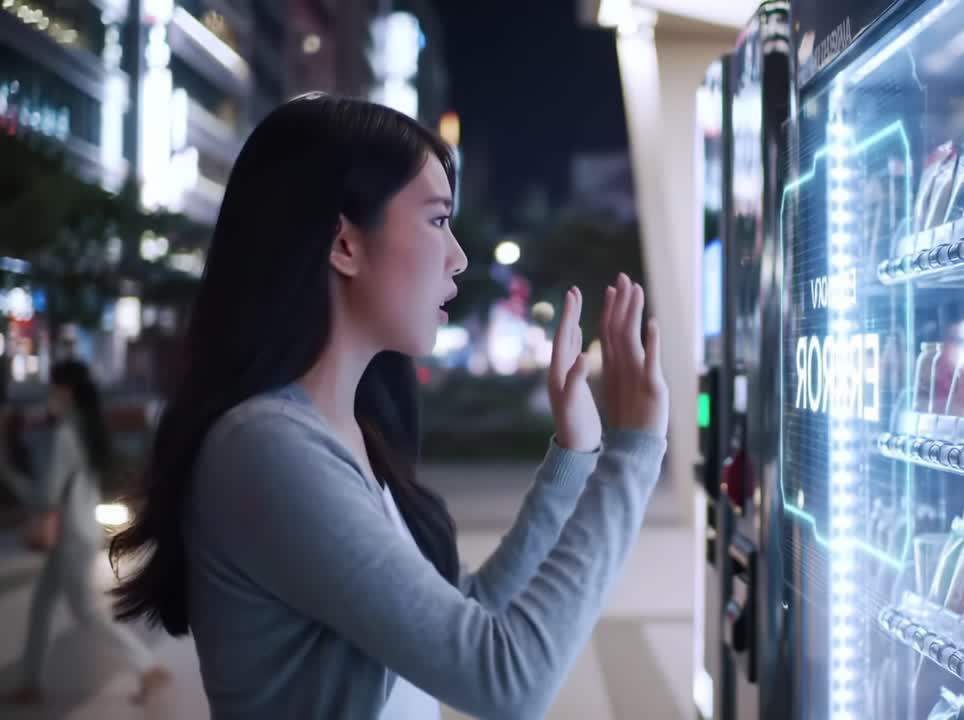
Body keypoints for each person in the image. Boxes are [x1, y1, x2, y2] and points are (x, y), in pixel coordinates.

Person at [107, 93, 669, 720]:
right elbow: (509, 680)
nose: (458, 256)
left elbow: (470, 615)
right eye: (436, 221)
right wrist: (635, 453)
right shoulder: (264, 448)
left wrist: (575, 455)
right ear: (343, 242)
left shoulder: (340, 434)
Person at [2, 360, 171, 705]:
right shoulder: (86, 428)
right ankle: (30, 682)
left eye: (54, 387)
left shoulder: (66, 433)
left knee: (85, 612)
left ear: (67, 390)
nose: (50, 394)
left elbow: (47, 494)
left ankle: (147, 665)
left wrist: (7, 471)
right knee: (41, 606)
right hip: (78, 530)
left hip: (72, 537)